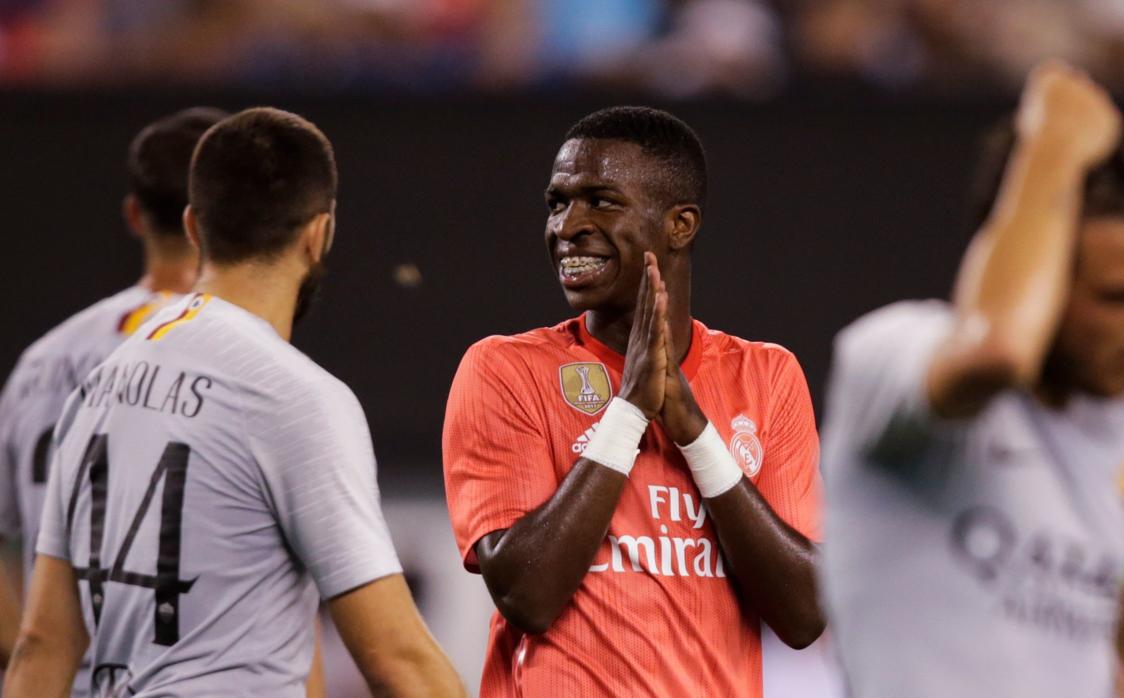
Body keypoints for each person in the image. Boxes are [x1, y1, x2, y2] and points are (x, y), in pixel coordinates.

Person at [4, 107, 465, 698]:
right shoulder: (297, 398)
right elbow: (399, 659)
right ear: (318, 234)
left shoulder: (99, 383)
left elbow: (42, 647)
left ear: (195, 228)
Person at [820, 62, 1124, 697]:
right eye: (1122, 295)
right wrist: (1053, 138)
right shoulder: (890, 361)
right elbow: (999, 347)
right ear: (1046, 284)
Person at [443, 106, 824, 697]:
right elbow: (526, 596)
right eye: (557, 202)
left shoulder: (768, 375)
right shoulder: (505, 370)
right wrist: (627, 415)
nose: (568, 225)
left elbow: (804, 614)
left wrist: (695, 432)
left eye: (601, 201)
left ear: (681, 225)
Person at [0, 107, 225, 678]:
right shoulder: (239, 358)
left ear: (134, 215)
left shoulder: (40, 362)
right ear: (222, 219)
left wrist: (26, 656)